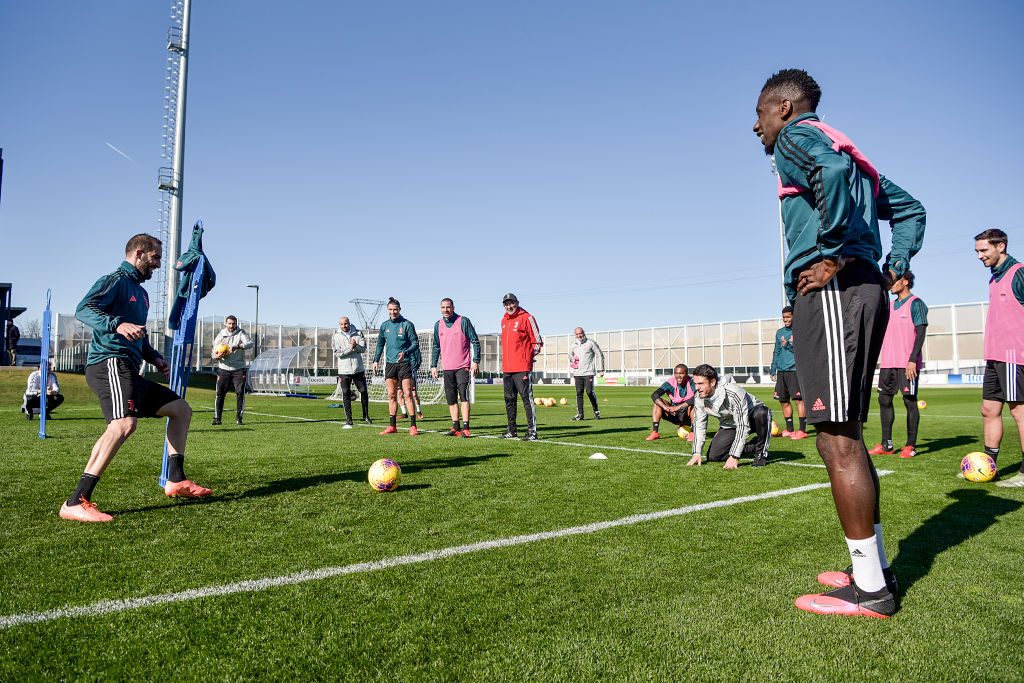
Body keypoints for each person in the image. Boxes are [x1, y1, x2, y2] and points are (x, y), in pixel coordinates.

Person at [754, 68, 925, 617]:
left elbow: (826, 172)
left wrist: (831, 252)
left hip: (834, 290)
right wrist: (894, 263)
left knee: (834, 439)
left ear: (783, 108)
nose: (755, 128)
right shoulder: (843, 145)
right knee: (843, 431)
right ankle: (870, 567)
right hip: (855, 287)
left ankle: (871, 591)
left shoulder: (799, 138)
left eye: (759, 114)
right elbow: (910, 208)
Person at [62, 233, 211, 523]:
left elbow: (138, 337)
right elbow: (83, 308)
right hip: (108, 363)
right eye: (155, 258)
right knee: (123, 425)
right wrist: (117, 324)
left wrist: (154, 357)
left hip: (129, 367)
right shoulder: (115, 280)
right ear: (139, 253)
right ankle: (75, 500)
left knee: (181, 410)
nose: (157, 265)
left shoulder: (141, 295)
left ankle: (176, 479)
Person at [975, 229, 1024, 488]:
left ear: (1000, 246)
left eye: (984, 250)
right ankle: (988, 468)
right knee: (989, 410)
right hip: (994, 356)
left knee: (1020, 413)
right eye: (978, 252)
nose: (980, 256)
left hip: (1014, 354)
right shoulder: (994, 278)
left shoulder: (1019, 272)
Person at [868, 271, 928, 459]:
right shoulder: (890, 305)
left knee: (910, 401)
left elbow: (920, 333)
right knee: (884, 400)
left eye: (894, 281)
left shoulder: (916, 303)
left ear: (906, 281)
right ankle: (887, 444)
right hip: (887, 363)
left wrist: (912, 359)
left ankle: (910, 445)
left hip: (907, 364)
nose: (891, 284)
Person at [686, 364, 771, 468]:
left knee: (762, 412)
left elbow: (742, 425)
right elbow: (699, 425)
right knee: (714, 456)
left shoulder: (734, 392)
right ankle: (753, 445)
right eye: (695, 384)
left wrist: (734, 456)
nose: (697, 388)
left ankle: (761, 452)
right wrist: (696, 452)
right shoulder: (698, 398)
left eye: (700, 384)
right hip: (730, 424)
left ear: (712, 382)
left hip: (750, 417)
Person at [430, 298, 481, 437]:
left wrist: (476, 361)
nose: (445, 310)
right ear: (440, 308)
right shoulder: (438, 325)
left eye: (448, 307)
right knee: (451, 398)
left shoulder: (463, 321)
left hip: (462, 367)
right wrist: (433, 365)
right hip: (447, 368)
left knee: (464, 397)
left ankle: (466, 427)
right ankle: (455, 427)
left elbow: (475, 341)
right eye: (443, 307)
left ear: (453, 307)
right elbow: (436, 346)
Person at [372, 297, 420, 436]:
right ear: (388, 310)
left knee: (407, 394)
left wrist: (405, 353)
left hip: (404, 364)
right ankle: (392, 426)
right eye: (390, 310)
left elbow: (415, 343)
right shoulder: (384, 326)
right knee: (392, 395)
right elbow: (380, 344)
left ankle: (413, 426)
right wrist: (376, 360)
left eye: (395, 309)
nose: (393, 312)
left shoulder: (407, 324)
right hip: (390, 365)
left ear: (399, 309)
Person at [499, 292, 542, 440]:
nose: (509, 306)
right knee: (509, 399)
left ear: (517, 302)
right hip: (507, 369)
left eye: (511, 303)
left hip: (522, 367)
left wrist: (527, 359)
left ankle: (532, 431)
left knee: (526, 399)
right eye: (506, 304)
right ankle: (512, 430)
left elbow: (537, 343)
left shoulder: (527, 318)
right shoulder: (503, 320)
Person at [770, 306, 807, 439]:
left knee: (798, 400)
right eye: (784, 317)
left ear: (794, 316)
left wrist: (789, 345)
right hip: (781, 371)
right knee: (783, 401)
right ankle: (790, 429)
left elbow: (803, 352)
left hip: (794, 370)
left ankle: (802, 430)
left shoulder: (800, 331)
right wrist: (773, 368)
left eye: (788, 317)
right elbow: (777, 351)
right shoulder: (779, 332)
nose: (785, 319)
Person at [211, 315, 254, 426]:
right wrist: (217, 356)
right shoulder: (221, 335)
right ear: (226, 323)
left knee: (240, 393)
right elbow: (213, 352)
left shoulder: (241, 333)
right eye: (229, 323)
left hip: (238, 369)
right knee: (220, 394)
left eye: (233, 323)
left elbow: (250, 344)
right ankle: (217, 418)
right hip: (223, 369)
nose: (231, 326)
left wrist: (238, 346)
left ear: (236, 324)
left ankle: (239, 418)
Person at [331, 316, 370, 428]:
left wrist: (356, 346)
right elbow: (337, 353)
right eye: (342, 324)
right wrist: (350, 348)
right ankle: (349, 419)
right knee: (346, 394)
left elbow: (363, 349)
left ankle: (366, 416)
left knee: (363, 392)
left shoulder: (358, 333)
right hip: (344, 370)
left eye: (346, 323)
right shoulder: (336, 336)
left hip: (358, 369)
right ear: (339, 325)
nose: (344, 326)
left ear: (349, 323)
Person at [645, 364, 696, 441]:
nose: (678, 376)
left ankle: (692, 433)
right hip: (674, 414)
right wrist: (665, 407)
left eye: (681, 373)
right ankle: (655, 432)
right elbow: (654, 395)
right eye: (676, 373)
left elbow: (698, 398)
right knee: (658, 403)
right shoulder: (670, 383)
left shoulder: (693, 383)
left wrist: (678, 407)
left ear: (686, 374)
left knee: (696, 405)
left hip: (688, 415)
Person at [568, 327, 604, 421]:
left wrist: (601, 369)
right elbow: (570, 355)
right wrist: (573, 361)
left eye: (580, 333)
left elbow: (599, 355)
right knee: (579, 393)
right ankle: (580, 415)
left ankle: (596, 412)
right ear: (575, 335)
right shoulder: (573, 345)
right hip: (577, 373)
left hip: (589, 372)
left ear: (584, 333)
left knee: (589, 392)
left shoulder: (590, 343)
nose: (579, 335)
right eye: (577, 334)